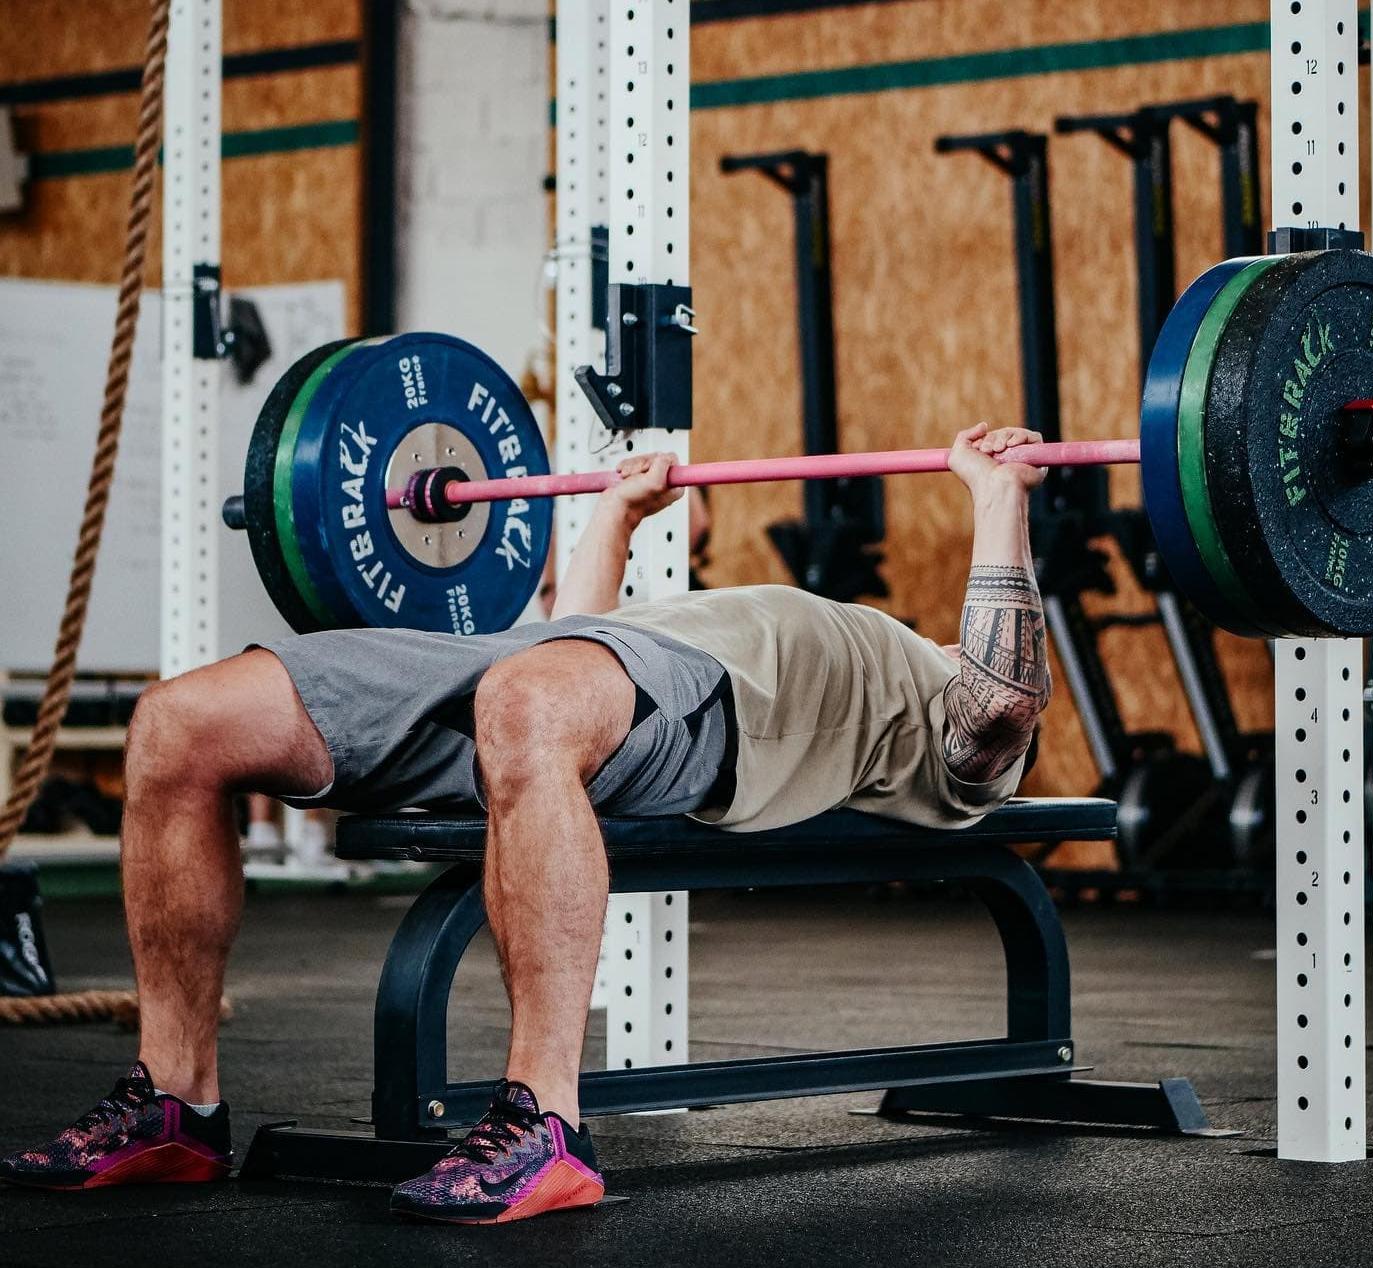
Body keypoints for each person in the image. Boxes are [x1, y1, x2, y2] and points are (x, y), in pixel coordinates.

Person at [0, 423, 1051, 1224]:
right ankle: (174, 1104)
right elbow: (570, 640)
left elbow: (1001, 702)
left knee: (527, 702)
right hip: (576, 661)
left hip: (710, 697)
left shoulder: (950, 740)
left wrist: (999, 497)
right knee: (176, 723)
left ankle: (543, 1123)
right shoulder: (667, 643)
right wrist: (615, 517)